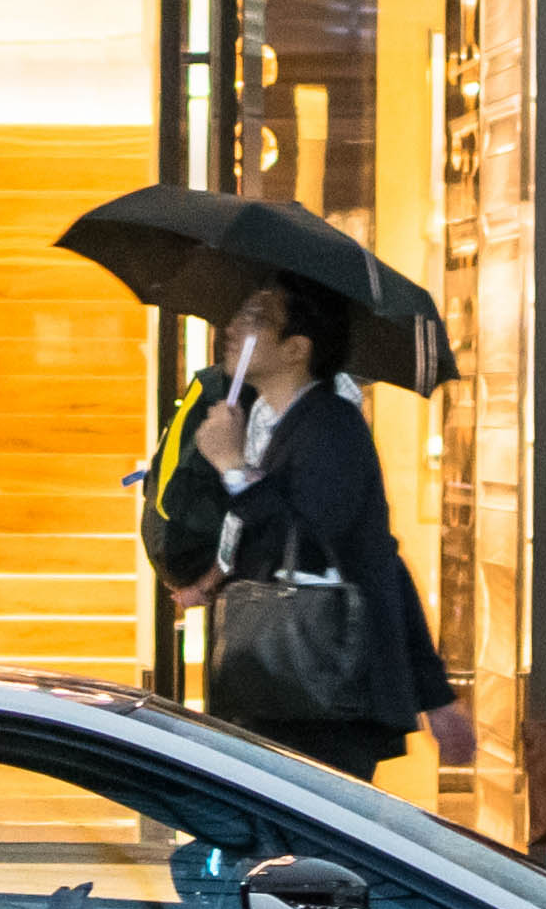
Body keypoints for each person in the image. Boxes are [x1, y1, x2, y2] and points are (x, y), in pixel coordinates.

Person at [176, 277, 474, 783]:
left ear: (296, 349)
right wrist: (212, 577)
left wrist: (233, 468)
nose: (233, 329)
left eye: (255, 319)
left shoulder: (332, 427)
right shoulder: (275, 423)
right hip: (289, 686)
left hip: (321, 691)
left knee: (310, 852)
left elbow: (324, 542)